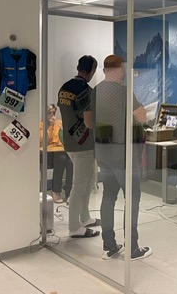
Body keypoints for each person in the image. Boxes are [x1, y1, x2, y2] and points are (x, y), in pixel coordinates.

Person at [94, 55, 152, 260]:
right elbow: (141, 117)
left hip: (103, 153)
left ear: (104, 71)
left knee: (108, 195)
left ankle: (109, 245)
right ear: (120, 70)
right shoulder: (125, 92)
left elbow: (89, 121)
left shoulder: (95, 91)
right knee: (133, 198)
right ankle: (132, 247)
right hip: (123, 155)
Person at [57, 55, 100, 239]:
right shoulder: (86, 91)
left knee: (88, 182)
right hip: (85, 145)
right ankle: (74, 227)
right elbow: (88, 122)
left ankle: (85, 217)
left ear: (78, 67)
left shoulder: (64, 88)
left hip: (69, 142)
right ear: (92, 71)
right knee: (80, 185)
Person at [39, 103, 73, 203]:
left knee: (70, 161)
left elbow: (65, 138)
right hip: (47, 154)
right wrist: (49, 126)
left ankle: (69, 191)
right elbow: (44, 142)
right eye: (49, 113)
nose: (52, 115)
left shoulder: (60, 123)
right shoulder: (41, 125)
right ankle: (56, 190)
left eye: (53, 113)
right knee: (61, 158)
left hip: (60, 152)